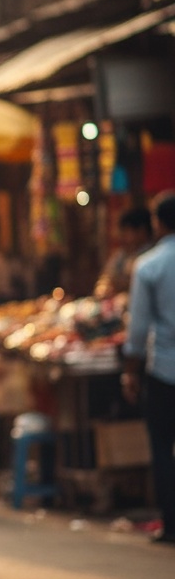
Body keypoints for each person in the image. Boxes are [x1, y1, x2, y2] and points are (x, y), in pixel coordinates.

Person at [121, 193, 175, 545]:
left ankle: (171, 524)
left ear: (158, 223)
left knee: (162, 448)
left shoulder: (150, 265)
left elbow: (138, 328)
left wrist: (130, 370)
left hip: (164, 371)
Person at [95, 205, 154, 298]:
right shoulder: (122, 255)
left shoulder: (152, 256)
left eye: (127, 231)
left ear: (142, 231)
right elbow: (106, 277)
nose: (122, 236)